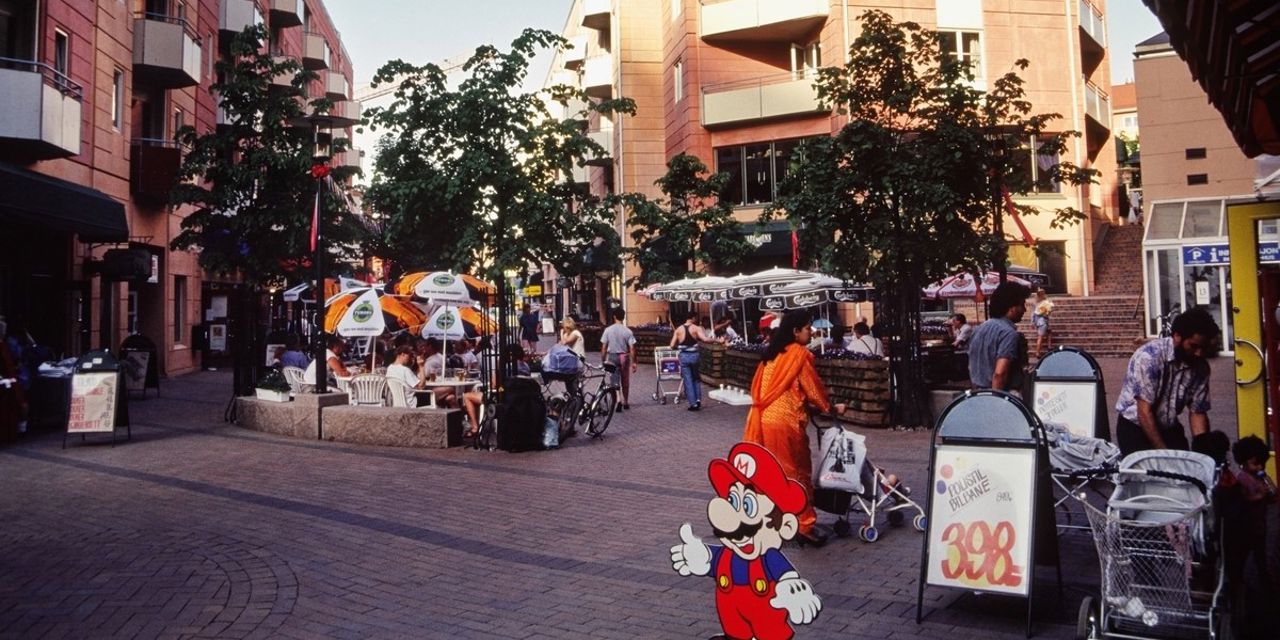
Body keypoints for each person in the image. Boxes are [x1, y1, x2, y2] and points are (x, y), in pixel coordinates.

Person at [669, 442, 823, 640]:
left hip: (767, 630)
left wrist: (793, 589)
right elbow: (711, 560)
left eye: (748, 506)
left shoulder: (770, 558)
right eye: (732, 500)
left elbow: (786, 577)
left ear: (785, 526)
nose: (734, 520)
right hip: (735, 631)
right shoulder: (726, 555)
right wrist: (700, 556)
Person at [742, 310, 848, 548]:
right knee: (797, 472)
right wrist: (832, 408)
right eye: (808, 328)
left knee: (771, 472)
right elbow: (814, 390)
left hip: (763, 421)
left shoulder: (771, 355)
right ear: (795, 331)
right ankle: (805, 525)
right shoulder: (799, 355)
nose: (811, 331)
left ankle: (772, 519)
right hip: (786, 423)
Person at [1114, 308, 1219, 456]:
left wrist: (1203, 452)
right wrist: (1165, 455)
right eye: (1193, 346)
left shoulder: (1200, 367)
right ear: (1177, 336)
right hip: (1136, 426)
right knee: (1157, 468)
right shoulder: (1149, 357)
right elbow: (1144, 412)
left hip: (1168, 425)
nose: (1199, 353)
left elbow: (1198, 412)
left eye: (1203, 347)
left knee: (1186, 465)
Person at [967, 281, 1031, 392]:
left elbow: (971, 366)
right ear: (1011, 307)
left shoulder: (978, 329)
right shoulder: (1009, 333)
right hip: (1003, 395)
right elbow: (1000, 373)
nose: (1024, 310)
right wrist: (996, 399)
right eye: (1022, 305)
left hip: (978, 393)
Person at [670, 310, 720, 411]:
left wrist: (681, 346)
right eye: (696, 318)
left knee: (688, 380)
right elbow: (705, 339)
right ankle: (698, 400)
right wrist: (717, 340)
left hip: (684, 357)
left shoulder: (678, 329)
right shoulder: (696, 328)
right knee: (696, 378)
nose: (696, 320)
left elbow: (671, 345)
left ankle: (693, 404)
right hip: (694, 356)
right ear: (693, 318)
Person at [600, 308, 637, 411]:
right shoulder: (628, 331)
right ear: (623, 317)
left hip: (612, 356)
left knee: (614, 379)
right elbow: (632, 348)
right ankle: (626, 402)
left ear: (614, 317)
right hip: (624, 357)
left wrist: (603, 360)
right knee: (625, 379)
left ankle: (618, 399)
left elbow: (604, 347)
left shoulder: (608, 330)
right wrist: (634, 362)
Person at [1032, 288, 1054, 357]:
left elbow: (1033, 314)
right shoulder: (1045, 303)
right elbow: (1045, 313)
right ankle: (1037, 353)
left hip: (1039, 322)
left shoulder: (1036, 303)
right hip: (1042, 322)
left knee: (1049, 331)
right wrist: (1047, 312)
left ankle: (1049, 346)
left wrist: (1033, 322)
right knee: (1040, 337)